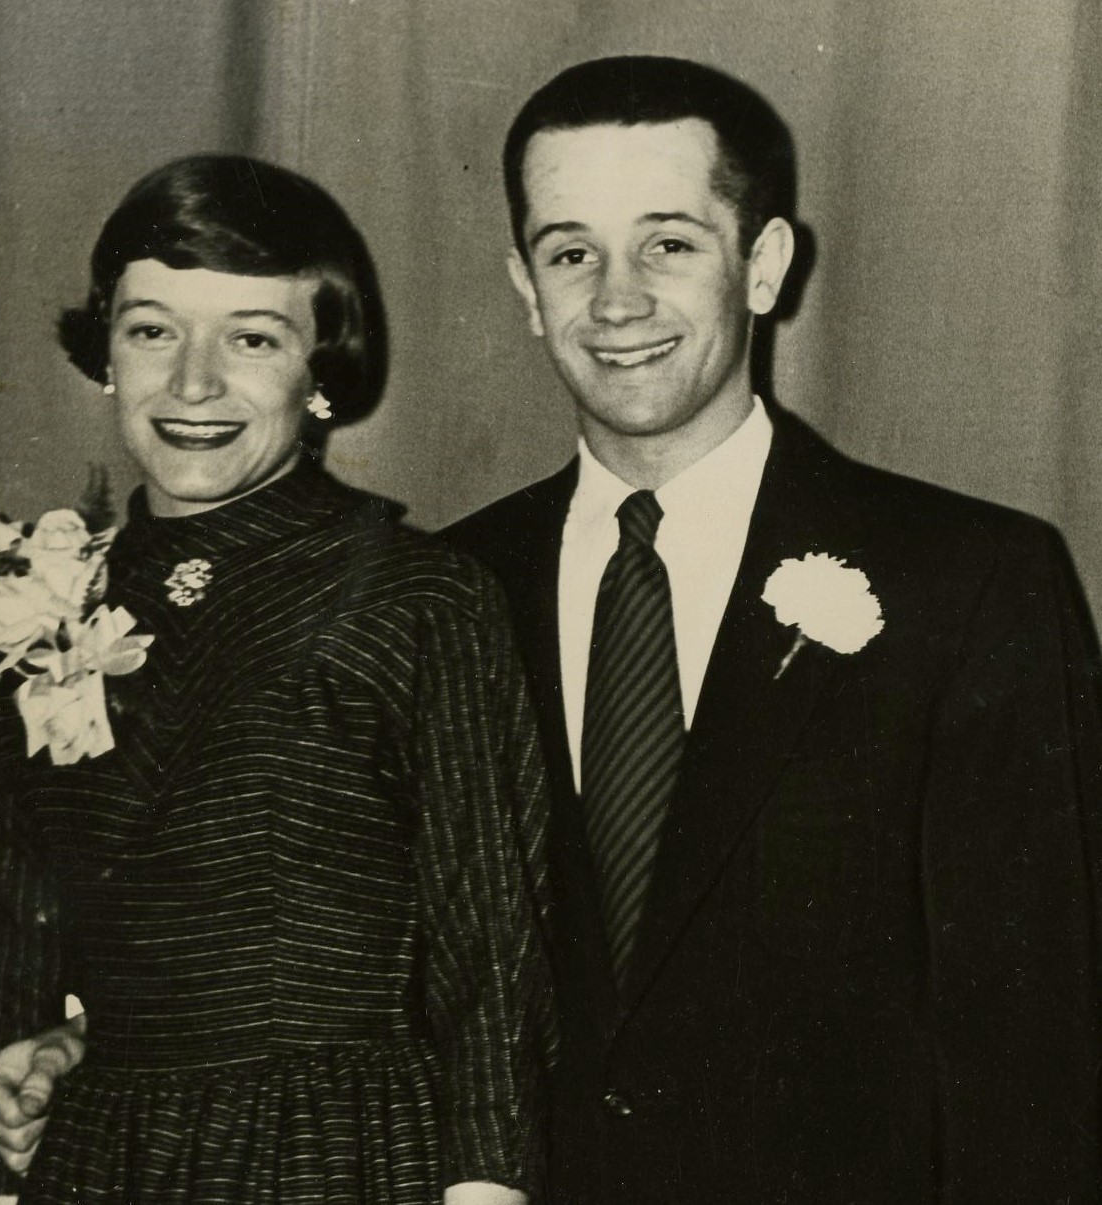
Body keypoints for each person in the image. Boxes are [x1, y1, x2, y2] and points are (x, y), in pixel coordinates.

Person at [446, 57, 1102, 1202]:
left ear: (762, 265)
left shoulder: (971, 582)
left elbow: (1034, 1044)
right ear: (522, 282)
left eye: (667, 244)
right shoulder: (443, 590)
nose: (614, 301)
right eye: (569, 252)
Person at [0, 154, 550, 1205]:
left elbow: (490, 953)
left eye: (251, 337)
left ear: (319, 372)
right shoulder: (33, 598)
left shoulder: (420, 597)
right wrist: (0, 1170)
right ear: (105, 353)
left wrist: (486, 1188)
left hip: (339, 1148)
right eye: (152, 330)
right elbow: (17, 930)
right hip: (104, 1152)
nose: (192, 383)